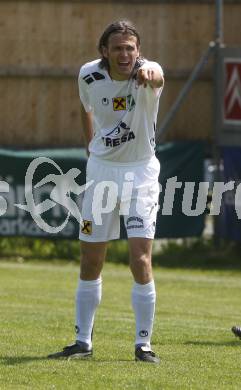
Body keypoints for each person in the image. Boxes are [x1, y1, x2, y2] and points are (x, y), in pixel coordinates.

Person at [48, 20, 164, 363]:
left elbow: (157, 75)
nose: (125, 54)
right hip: (100, 173)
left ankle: (144, 344)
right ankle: (83, 342)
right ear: (104, 52)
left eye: (131, 48)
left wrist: (150, 75)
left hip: (140, 174)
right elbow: (86, 109)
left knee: (140, 259)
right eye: (118, 48)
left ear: (138, 51)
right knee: (90, 259)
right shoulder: (88, 75)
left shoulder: (149, 72)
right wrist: (91, 146)